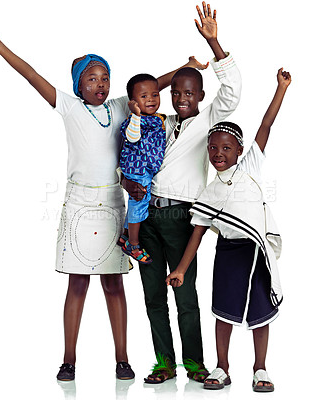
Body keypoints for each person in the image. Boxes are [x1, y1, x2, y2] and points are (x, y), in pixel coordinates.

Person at [0, 24, 207, 382]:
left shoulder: (119, 107)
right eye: (93, 78)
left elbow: (150, 87)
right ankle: (69, 359)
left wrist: (183, 68)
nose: (101, 84)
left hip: (114, 200)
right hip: (79, 202)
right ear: (78, 85)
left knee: (114, 284)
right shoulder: (70, 107)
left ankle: (123, 359)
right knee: (77, 284)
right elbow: (33, 76)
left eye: (105, 77)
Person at [121, 2, 242, 384]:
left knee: (184, 293)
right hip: (146, 215)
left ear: (202, 96)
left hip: (181, 216)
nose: (182, 98)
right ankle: (163, 362)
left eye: (189, 92)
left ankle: (194, 363)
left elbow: (233, 88)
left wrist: (214, 44)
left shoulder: (209, 119)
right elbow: (140, 99)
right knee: (153, 294)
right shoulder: (159, 122)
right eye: (176, 92)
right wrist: (126, 181)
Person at [166, 68, 292, 392]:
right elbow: (197, 233)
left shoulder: (249, 167)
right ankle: (222, 367)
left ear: (238, 151)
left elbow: (266, 124)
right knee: (224, 311)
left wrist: (281, 88)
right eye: (213, 149)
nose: (218, 154)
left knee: (259, 313)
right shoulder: (209, 193)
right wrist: (180, 269)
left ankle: (260, 368)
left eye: (226, 148)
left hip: (255, 251)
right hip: (228, 254)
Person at [119, 74, 166, 264]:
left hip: (145, 170)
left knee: (139, 204)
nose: (151, 100)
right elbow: (132, 137)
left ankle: (125, 234)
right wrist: (136, 115)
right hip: (137, 171)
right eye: (144, 96)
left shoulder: (155, 119)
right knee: (138, 204)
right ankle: (133, 244)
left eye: (155, 95)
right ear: (132, 102)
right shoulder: (134, 121)